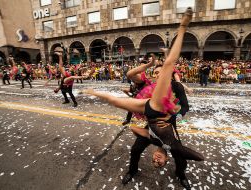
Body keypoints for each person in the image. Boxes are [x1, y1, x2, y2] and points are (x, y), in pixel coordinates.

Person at [81, 8, 204, 189]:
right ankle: (132, 170)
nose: (156, 75)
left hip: (167, 124)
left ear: (165, 75)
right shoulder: (147, 85)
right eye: (154, 73)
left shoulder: (175, 86)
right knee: (135, 149)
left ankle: (180, 174)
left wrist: (176, 115)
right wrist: (149, 65)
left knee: (179, 156)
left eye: (159, 72)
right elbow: (131, 75)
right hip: (151, 116)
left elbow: (184, 106)